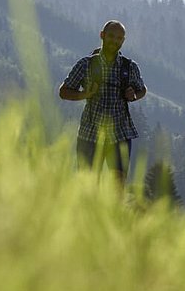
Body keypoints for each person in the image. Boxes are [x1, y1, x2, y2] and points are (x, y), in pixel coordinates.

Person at [59, 20, 146, 180]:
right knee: (88, 184)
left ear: (123, 41)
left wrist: (133, 96)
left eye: (119, 38)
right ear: (102, 35)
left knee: (118, 185)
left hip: (120, 133)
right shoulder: (85, 64)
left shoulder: (129, 67)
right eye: (111, 36)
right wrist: (84, 94)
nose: (115, 41)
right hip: (90, 134)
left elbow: (142, 90)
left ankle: (115, 206)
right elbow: (63, 91)